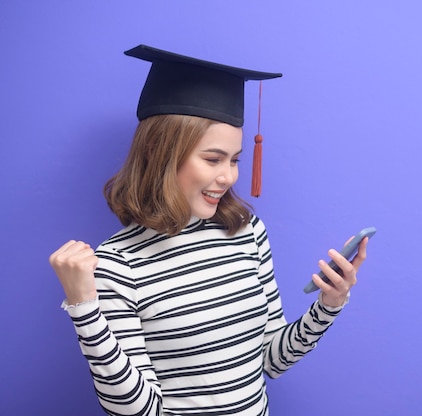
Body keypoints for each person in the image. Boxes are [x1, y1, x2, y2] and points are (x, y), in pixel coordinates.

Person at [49, 44, 369, 416]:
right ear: (157, 150)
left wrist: (328, 305)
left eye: (234, 160)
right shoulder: (117, 265)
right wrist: (85, 308)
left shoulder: (248, 233)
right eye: (213, 159)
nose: (229, 176)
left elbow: (271, 361)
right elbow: (137, 412)